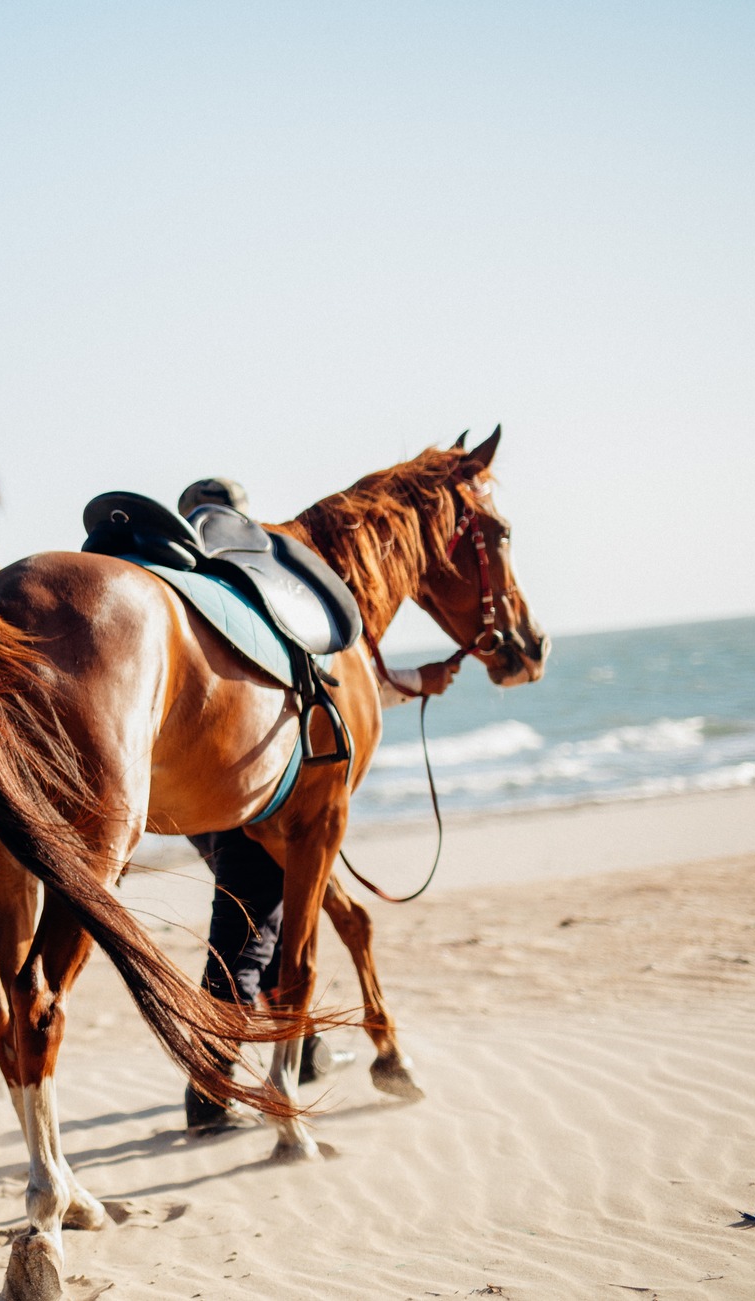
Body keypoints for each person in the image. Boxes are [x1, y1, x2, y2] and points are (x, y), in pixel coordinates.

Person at [173, 477, 458, 1134]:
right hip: (258, 786)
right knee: (250, 932)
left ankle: (304, 1056)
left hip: (207, 793)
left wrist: (414, 681)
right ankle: (209, 1090)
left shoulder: (202, 600)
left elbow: (329, 689)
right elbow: (313, 685)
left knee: (263, 925)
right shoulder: (266, 591)